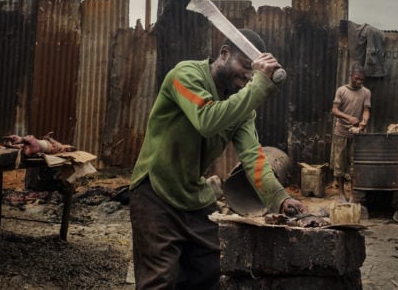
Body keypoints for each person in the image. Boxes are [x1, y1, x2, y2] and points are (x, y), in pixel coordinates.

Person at [128, 28, 306, 289]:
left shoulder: (241, 105)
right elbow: (207, 121)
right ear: (224, 54)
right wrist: (259, 85)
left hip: (193, 196)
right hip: (155, 193)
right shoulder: (185, 75)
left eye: (254, 71)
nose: (248, 76)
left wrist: (280, 199)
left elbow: (253, 159)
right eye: (246, 66)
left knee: (212, 271)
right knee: (161, 280)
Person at [330, 66, 371, 202]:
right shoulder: (341, 90)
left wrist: (364, 120)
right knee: (339, 165)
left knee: (355, 165)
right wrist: (349, 118)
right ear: (351, 75)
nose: (359, 81)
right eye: (356, 78)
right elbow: (334, 110)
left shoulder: (366, 92)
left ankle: (353, 193)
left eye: (361, 80)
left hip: (356, 134)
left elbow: (366, 109)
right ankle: (341, 193)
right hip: (341, 132)